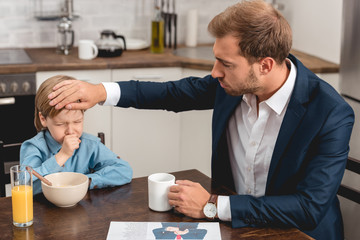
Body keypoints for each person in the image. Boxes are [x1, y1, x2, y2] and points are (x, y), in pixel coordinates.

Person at [47, 1, 354, 239]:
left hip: (297, 235)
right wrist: (100, 91)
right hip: (235, 230)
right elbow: (171, 93)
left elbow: (308, 208)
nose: (215, 72)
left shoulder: (330, 113)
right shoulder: (231, 86)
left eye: (226, 63)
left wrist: (211, 205)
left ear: (265, 65)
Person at [20, 75, 133, 195]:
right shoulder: (34, 147)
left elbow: (124, 171)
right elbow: (24, 185)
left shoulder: (90, 145)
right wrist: (62, 156)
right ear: (43, 119)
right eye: (60, 124)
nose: (71, 131)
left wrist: (87, 182)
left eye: (77, 122)